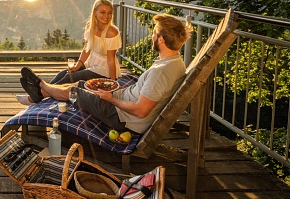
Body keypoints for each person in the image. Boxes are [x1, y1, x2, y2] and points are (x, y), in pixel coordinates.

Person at [19, 13, 193, 134]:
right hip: (122, 102)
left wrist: (111, 99)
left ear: (161, 40)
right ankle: (39, 93)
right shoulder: (174, 62)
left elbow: (141, 111)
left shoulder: (161, 73)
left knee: (75, 92)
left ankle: (40, 85)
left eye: (154, 33)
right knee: (79, 85)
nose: (152, 36)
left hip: (121, 118)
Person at [16, 0, 122, 106]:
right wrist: (78, 65)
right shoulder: (90, 26)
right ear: (95, 12)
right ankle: (39, 93)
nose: (106, 16)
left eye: (109, 13)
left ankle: (36, 95)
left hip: (104, 69)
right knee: (64, 73)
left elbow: (110, 59)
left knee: (69, 78)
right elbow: (87, 49)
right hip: (91, 63)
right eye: (103, 12)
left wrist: (113, 83)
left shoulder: (112, 32)